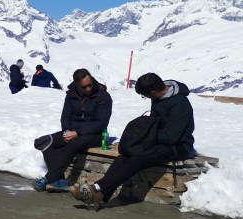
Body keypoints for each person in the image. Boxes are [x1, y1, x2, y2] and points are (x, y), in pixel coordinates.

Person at [72, 73, 195, 211]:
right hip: (158, 141)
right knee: (125, 155)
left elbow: (171, 137)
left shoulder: (180, 105)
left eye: (145, 95)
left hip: (177, 146)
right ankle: (99, 195)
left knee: (138, 157)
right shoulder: (159, 97)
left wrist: (146, 138)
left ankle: (97, 188)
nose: (147, 98)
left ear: (153, 92)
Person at [32, 69, 112, 192]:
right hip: (73, 131)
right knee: (44, 141)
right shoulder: (71, 95)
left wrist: (77, 133)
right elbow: (65, 116)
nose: (88, 89)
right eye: (84, 87)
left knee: (72, 144)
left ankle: (48, 179)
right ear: (77, 85)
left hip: (95, 134)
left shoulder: (103, 96)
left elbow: (101, 123)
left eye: (90, 85)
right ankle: (59, 181)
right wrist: (66, 131)